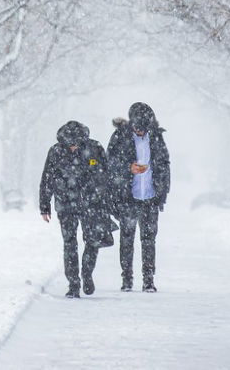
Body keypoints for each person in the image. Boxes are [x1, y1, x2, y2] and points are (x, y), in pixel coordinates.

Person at [38, 120, 112, 298]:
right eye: (69, 144)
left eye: (76, 144)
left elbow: (105, 174)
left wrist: (103, 198)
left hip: (91, 204)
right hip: (65, 204)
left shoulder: (94, 148)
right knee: (69, 243)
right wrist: (44, 205)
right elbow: (47, 178)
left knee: (92, 241)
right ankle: (73, 283)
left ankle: (87, 274)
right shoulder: (56, 151)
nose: (72, 148)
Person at [107, 101, 170, 292]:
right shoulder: (119, 137)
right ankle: (127, 279)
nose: (140, 132)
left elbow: (165, 165)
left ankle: (148, 280)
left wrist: (162, 192)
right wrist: (128, 168)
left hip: (150, 197)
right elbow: (108, 162)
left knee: (149, 239)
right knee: (126, 238)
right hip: (128, 197)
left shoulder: (157, 138)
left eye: (143, 129)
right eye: (137, 129)